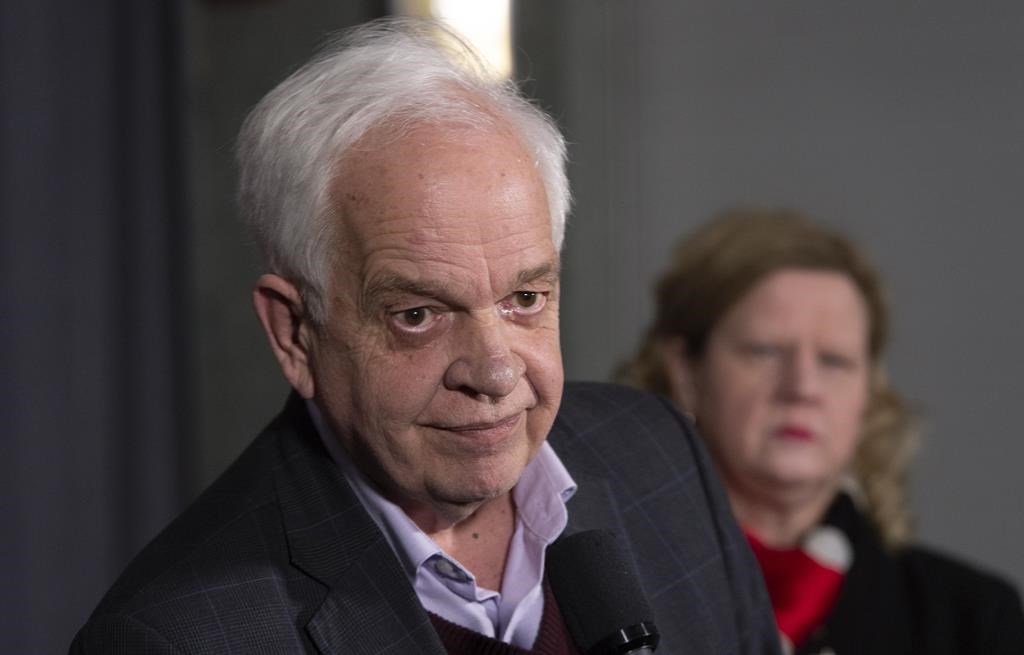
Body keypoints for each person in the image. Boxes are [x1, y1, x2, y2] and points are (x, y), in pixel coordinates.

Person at [70, 19, 781, 654]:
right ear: (295, 333)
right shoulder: (175, 636)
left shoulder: (662, 456)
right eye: (418, 315)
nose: (495, 371)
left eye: (525, 298)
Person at [620, 207, 1024, 654]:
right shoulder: (605, 588)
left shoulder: (971, 617)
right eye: (765, 351)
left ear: (868, 394)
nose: (802, 388)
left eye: (834, 360)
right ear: (687, 375)